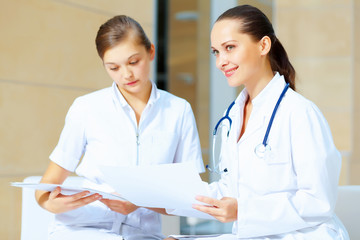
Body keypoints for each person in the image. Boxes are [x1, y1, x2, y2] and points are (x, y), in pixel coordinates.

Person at [168, 4, 349, 240]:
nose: (220, 62)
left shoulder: (300, 112)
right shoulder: (232, 115)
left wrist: (243, 210)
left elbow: (318, 201)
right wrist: (165, 200)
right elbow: (230, 191)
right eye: (216, 52)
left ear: (263, 45)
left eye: (230, 48)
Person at [35, 15, 204, 240]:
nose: (126, 75)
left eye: (134, 62)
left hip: (142, 234)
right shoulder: (86, 108)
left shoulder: (178, 111)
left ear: (151, 52)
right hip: (83, 230)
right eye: (113, 67)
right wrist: (51, 205)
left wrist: (140, 202)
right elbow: (43, 191)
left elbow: (189, 197)